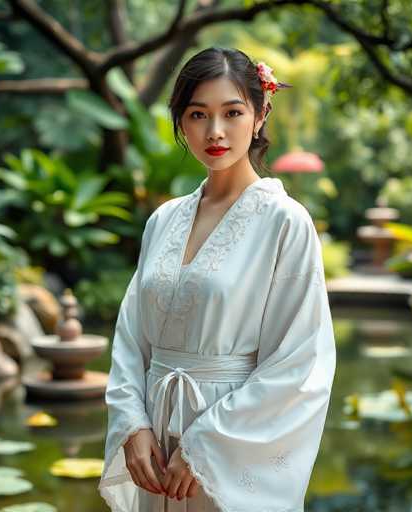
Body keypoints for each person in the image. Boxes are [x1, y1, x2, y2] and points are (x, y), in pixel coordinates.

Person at [98, 46, 337, 512]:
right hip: (155, 440)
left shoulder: (285, 222)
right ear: (180, 122)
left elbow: (300, 364)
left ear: (260, 114)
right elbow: (130, 338)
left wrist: (203, 446)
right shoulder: (164, 220)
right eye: (198, 114)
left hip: (230, 444)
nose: (216, 132)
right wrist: (132, 426)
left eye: (232, 112)